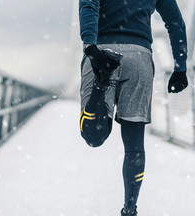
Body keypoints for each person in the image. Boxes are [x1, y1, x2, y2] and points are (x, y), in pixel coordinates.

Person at [78, 0, 188, 215]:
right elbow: (175, 23)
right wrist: (180, 67)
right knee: (134, 146)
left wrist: (90, 46)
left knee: (93, 137)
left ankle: (101, 84)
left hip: (101, 49)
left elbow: (88, 6)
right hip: (139, 57)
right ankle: (130, 209)